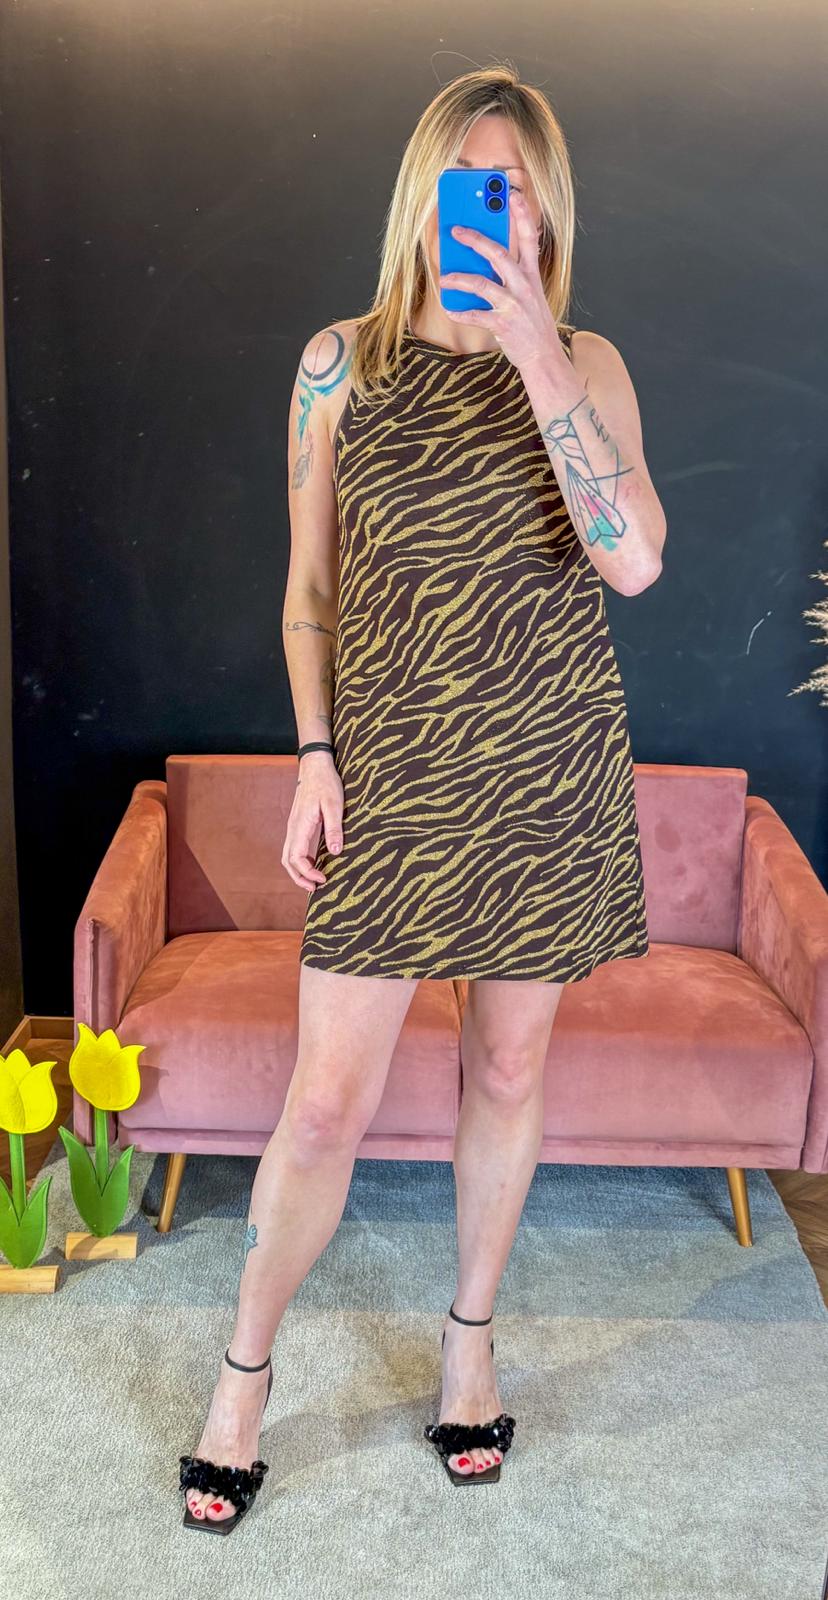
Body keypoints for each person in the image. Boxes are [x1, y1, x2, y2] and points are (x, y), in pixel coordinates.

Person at [180, 62, 666, 1527]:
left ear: (546, 207)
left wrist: (536, 356)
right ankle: (242, 1375)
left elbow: (634, 560)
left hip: (545, 775)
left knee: (506, 1076)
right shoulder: (338, 366)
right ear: (422, 198)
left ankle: (470, 1346)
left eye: (515, 188)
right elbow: (309, 592)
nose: (492, 210)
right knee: (325, 1102)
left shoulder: (588, 362)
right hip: (393, 786)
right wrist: (313, 755)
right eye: (470, 183)